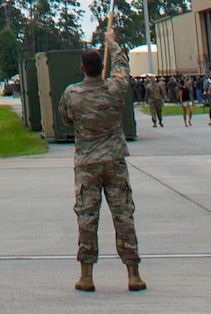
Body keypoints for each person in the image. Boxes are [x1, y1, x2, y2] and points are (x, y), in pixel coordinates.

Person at [59, 28, 142, 293]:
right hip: (115, 161)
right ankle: (133, 274)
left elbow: (65, 119)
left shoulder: (73, 94)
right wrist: (112, 43)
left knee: (87, 218)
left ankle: (86, 275)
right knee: (123, 215)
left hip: (88, 164)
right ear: (101, 66)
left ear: (82, 68)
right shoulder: (114, 89)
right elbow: (122, 68)